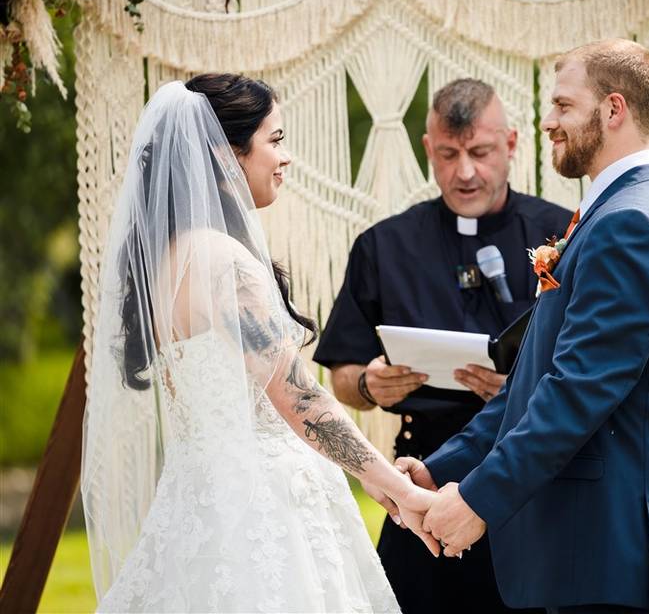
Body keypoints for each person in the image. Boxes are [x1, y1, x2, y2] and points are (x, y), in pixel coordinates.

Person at [81, 74, 439, 613]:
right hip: (263, 510)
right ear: (228, 156)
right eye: (274, 140)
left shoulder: (169, 262)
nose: (286, 157)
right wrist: (398, 488)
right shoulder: (221, 262)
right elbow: (300, 399)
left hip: (199, 499)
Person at [401, 39, 649, 613]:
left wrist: (479, 499)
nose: (547, 121)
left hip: (607, 552)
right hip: (585, 555)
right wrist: (441, 471)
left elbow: (578, 392)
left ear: (613, 110)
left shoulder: (629, 222)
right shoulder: (615, 213)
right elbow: (535, 383)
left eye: (563, 105)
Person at [313, 78, 571, 612]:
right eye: (449, 155)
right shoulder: (384, 245)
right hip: (424, 479)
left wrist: (516, 390)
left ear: (512, 145)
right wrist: (369, 383)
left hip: (531, 482)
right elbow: (342, 375)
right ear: (429, 149)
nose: (465, 172)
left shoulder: (562, 233)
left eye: (479, 152)